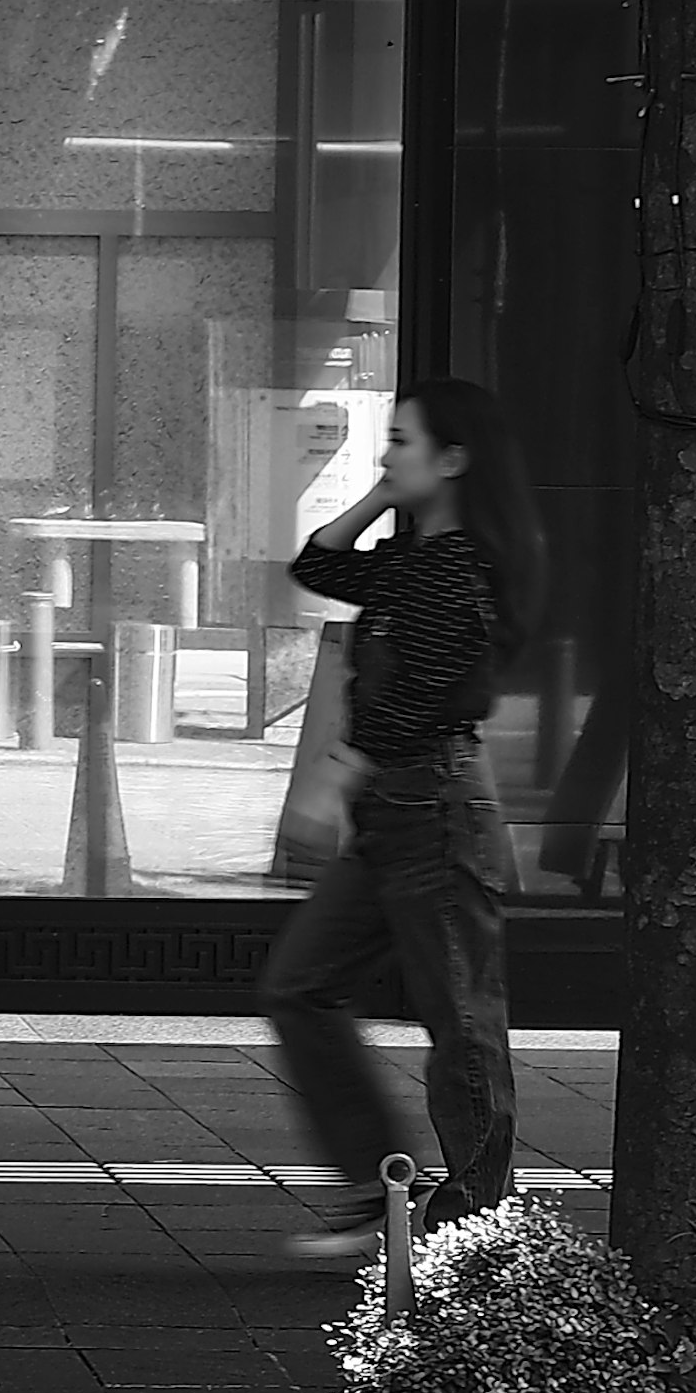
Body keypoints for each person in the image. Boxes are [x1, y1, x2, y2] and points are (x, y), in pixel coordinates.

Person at [265, 376, 547, 1253]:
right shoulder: (419, 557)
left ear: (455, 459)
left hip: (430, 806)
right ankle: (378, 1184)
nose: (385, 455)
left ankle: (475, 1222)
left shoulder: (459, 569)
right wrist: (386, 493)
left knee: (461, 1021)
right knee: (299, 987)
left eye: (402, 442)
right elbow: (315, 563)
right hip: (399, 810)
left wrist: (337, 773)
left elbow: (426, 694)